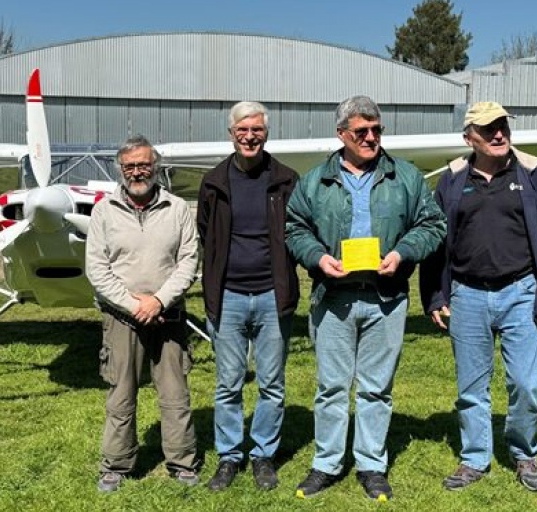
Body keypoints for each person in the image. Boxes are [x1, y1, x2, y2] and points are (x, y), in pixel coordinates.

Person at [419, 101, 537, 492]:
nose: (499, 134)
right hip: (467, 295)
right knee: (471, 387)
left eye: (503, 127)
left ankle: (523, 452)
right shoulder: (451, 179)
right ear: (469, 138)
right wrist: (434, 295)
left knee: (527, 385)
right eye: (488, 128)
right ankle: (475, 459)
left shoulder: (534, 175)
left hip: (522, 293)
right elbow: (435, 242)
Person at [286, 95, 446, 501]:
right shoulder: (314, 181)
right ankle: (326, 463)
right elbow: (294, 228)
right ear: (341, 134)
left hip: (386, 298)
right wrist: (318, 258)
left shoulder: (406, 177)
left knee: (377, 388)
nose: (371, 138)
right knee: (332, 387)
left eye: (377, 130)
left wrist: (402, 253)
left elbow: (432, 224)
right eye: (362, 131)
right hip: (333, 297)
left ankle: (372, 464)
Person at [86, 135, 201, 492]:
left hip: (168, 317)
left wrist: (159, 301)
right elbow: (96, 269)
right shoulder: (104, 211)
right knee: (121, 395)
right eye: (130, 166)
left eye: (144, 165)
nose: (138, 172)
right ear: (120, 170)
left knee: (175, 393)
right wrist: (134, 304)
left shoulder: (178, 208)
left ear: (156, 167)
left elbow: (189, 261)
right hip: (122, 318)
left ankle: (182, 461)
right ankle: (116, 465)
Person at [196, 101, 301, 491]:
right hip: (228, 297)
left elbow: (299, 231)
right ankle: (228, 456)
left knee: (272, 382)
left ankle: (262, 455)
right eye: (243, 130)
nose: (250, 136)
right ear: (231, 134)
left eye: (256, 129)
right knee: (228, 382)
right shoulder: (214, 182)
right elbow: (206, 234)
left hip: (274, 296)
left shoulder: (286, 180)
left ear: (266, 134)